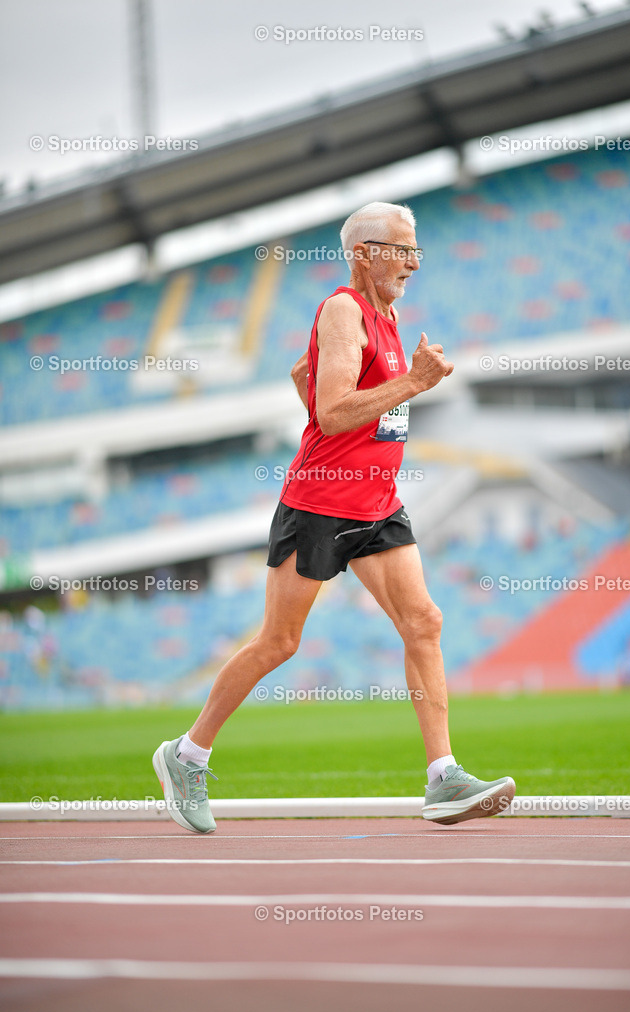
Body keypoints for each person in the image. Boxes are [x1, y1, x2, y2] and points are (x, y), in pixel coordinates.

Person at [153, 201, 515, 833]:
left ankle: (443, 777)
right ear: (363, 252)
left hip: (377, 505)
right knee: (280, 642)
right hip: (321, 505)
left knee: (423, 621)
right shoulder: (345, 307)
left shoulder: (388, 316)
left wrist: (358, 383)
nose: (411, 262)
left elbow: (309, 380)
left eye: (415, 251)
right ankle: (186, 755)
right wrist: (414, 383)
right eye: (400, 249)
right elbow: (335, 412)